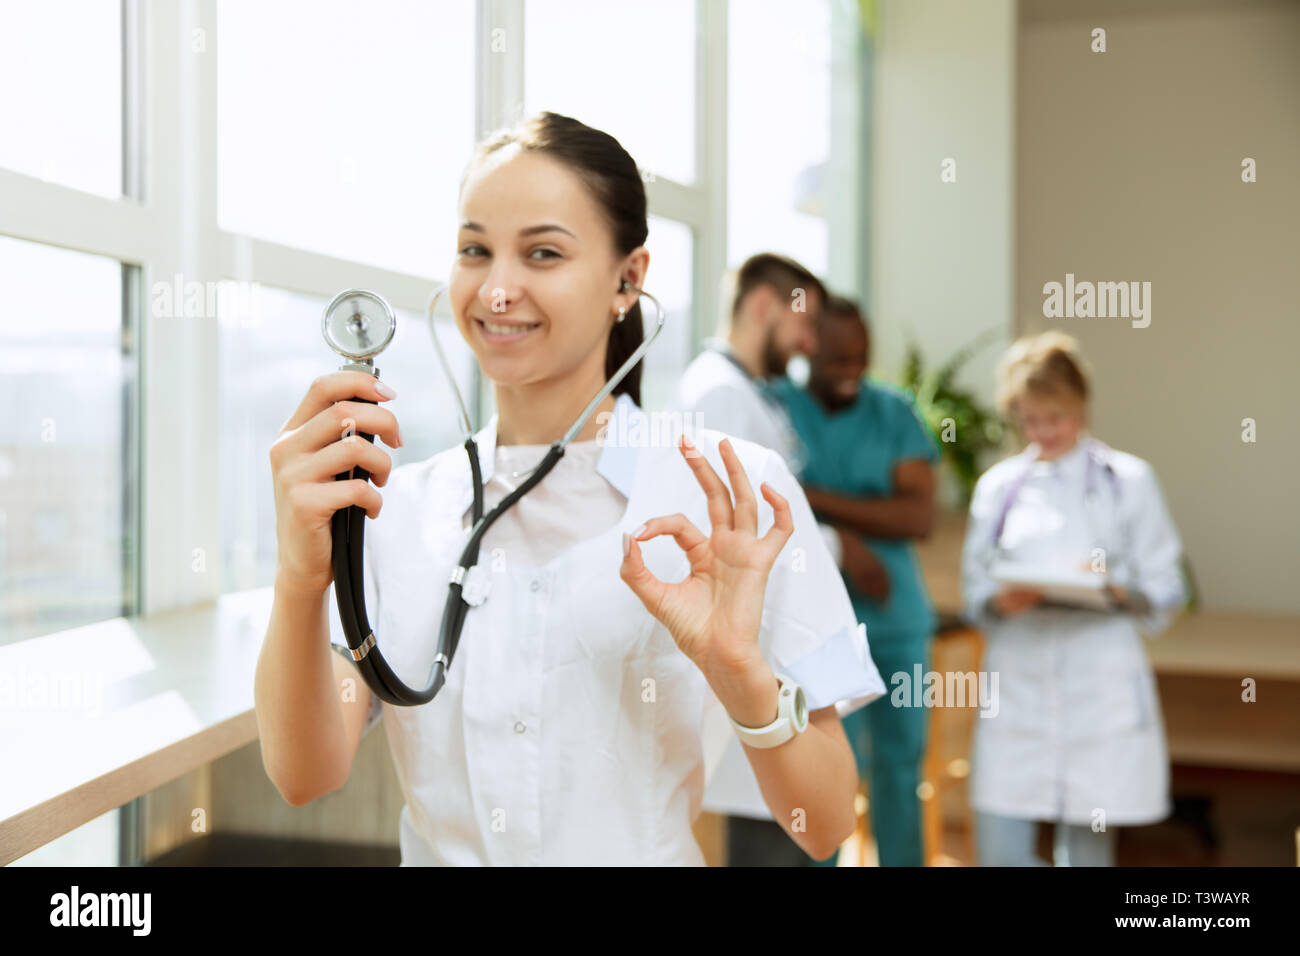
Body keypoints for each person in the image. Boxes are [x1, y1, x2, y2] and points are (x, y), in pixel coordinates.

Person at [253, 112, 885, 866]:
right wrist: (298, 578)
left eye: (543, 253)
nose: (495, 290)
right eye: (474, 251)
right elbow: (303, 775)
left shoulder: (732, 491)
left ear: (629, 278)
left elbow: (826, 826)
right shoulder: (395, 508)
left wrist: (741, 676)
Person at [960, 330, 1187, 866]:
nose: (1043, 432)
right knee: (1001, 851)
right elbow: (975, 589)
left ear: (1081, 405)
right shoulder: (999, 488)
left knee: (1087, 854)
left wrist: (1112, 589)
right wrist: (998, 602)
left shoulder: (1128, 481)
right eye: (1030, 420)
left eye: (1055, 418)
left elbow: (1166, 588)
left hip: (1098, 677)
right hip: (1018, 680)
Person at [670, 253, 850, 866]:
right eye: (805, 321)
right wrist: (838, 548)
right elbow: (742, 540)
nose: (809, 341)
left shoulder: (747, 393)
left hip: (782, 658)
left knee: (804, 830)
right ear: (764, 305)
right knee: (777, 841)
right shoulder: (718, 394)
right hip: (761, 656)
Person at [768, 296, 939, 867]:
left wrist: (810, 495)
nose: (851, 370)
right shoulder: (776, 406)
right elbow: (767, 500)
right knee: (831, 772)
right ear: (809, 348)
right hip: (819, 626)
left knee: (901, 764)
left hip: (898, 623)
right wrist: (864, 520)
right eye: (838, 356)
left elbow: (918, 518)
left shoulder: (894, 412)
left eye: (860, 357)